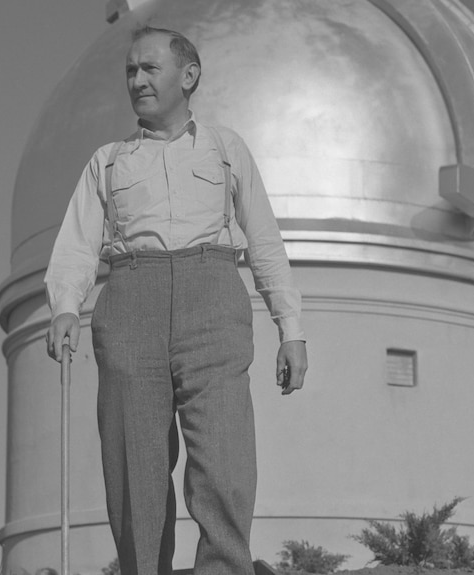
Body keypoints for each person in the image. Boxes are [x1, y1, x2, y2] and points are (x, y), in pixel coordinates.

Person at [44, 25, 307, 575]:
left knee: (226, 456)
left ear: (188, 76)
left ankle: (223, 569)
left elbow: (263, 240)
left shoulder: (225, 148)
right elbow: (76, 243)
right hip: (129, 300)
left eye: (149, 69)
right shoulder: (108, 161)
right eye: (130, 71)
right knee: (133, 462)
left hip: (213, 295)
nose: (137, 80)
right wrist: (66, 306)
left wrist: (291, 328)